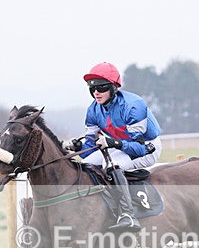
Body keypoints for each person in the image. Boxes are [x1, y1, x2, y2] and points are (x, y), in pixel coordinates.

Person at [63, 62, 162, 232]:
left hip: (147, 147)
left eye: (101, 87)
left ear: (113, 87)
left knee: (112, 165)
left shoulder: (133, 106)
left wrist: (112, 143)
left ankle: (127, 214)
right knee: (85, 163)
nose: (96, 92)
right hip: (121, 146)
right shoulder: (93, 110)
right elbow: (90, 146)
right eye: (91, 88)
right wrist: (76, 146)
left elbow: (138, 149)